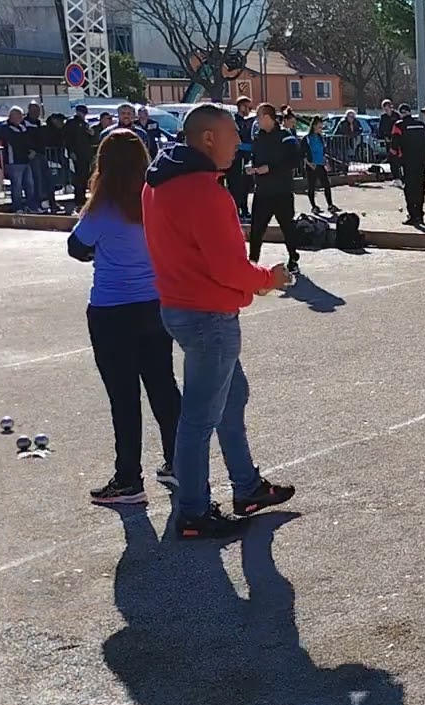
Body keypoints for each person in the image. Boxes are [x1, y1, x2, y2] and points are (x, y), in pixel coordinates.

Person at [142, 103, 295, 539]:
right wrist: (271, 278)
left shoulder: (157, 182)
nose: (238, 144)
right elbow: (229, 268)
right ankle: (193, 512)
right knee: (200, 418)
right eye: (232, 136)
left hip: (179, 307)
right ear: (208, 138)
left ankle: (246, 488)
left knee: (231, 399)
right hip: (208, 315)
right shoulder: (205, 191)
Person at [67, 129, 182, 505]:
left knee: (124, 397)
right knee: (163, 386)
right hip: (154, 304)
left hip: (112, 309)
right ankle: (179, 462)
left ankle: (129, 479)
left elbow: (76, 247)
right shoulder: (156, 200)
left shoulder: (103, 207)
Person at [246, 103, 302, 273]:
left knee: (287, 227)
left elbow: (295, 161)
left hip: (282, 191)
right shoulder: (258, 137)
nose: (257, 121)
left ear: (267, 117)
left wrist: (270, 168)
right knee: (256, 229)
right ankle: (252, 262)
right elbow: (254, 157)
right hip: (262, 191)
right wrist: (251, 166)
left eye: (259, 117)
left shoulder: (285, 136)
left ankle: (293, 258)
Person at [393, 103, 425, 225]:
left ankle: (413, 215)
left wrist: (397, 160)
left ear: (400, 113)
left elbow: (394, 147)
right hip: (421, 162)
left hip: (407, 163)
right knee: (420, 188)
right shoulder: (421, 125)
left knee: (409, 189)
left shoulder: (399, 125)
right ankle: (420, 213)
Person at [0, 106, 36, 213]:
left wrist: (31, 150)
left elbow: (27, 140)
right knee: (17, 186)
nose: (21, 118)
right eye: (19, 115)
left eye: (22, 115)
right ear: (12, 116)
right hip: (13, 161)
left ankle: (31, 206)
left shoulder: (23, 127)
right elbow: (14, 142)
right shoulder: (5, 128)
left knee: (30, 184)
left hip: (26, 160)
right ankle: (17, 207)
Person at [63, 104, 97, 207]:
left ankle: (81, 198)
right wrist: (71, 151)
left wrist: (91, 134)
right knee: (79, 177)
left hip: (85, 153)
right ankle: (79, 198)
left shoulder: (84, 124)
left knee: (84, 176)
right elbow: (67, 139)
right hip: (77, 153)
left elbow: (90, 138)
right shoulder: (71, 123)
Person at [304, 116, 339, 214]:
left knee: (326, 184)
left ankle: (330, 205)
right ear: (314, 126)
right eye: (319, 127)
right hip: (312, 166)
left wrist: (326, 162)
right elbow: (302, 154)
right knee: (312, 186)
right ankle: (313, 206)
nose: (321, 129)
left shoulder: (320, 138)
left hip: (320, 164)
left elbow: (322, 152)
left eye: (321, 127)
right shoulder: (307, 139)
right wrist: (309, 163)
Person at [229, 96, 255, 220]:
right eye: (248, 107)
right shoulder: (235, 122)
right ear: (241, 106)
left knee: (245, 185)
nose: (249, 110)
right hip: (236, 159)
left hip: (246, 157)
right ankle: (236, 210)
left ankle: (245, 209)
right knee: (236, 185)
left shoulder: (247, 122)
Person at [377, 99, 402, 184]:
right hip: (388, 141)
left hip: (398, 140)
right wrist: (384, 137)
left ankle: (401, 176)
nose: (386, 109)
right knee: (392, 159)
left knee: (400, 158)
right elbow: (381, 129)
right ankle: (396, 177)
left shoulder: (396, 115)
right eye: (385, 107)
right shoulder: (383, 117)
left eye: (387, 107)